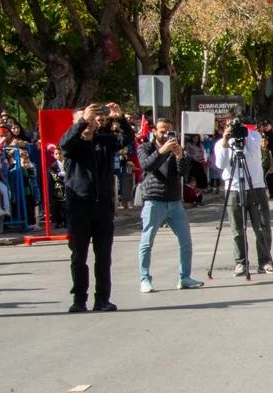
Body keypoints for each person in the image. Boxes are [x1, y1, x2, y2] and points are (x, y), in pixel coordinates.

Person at [59, 103, 131, 313]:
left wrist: (120, 119)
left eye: (92, 119)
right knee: (79, 256)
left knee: (103, 256)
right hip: (79, 205)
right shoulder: (73, 143)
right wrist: (81, 122)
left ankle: (102, 299)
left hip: (103, 207)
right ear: (76, 122)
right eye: (85, 119)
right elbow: (64, 145)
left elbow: (126, 139)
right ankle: (79, 299)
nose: (89, 123)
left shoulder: (103, 141)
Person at [136, 118, 204, 293]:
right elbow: (147, 166)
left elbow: (184, 172)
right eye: (162, 131)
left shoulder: (176, 149)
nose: (166, 135)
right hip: (154, 200)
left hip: (174, 201)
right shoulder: (146, 148)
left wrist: (180, 156)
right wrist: (162, 151)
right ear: (154, 132)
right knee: (147, 242)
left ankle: (185, 277)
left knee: (186, 241)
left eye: (169, 132)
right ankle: (145, 279)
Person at [213, 119, 273, 276]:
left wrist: (244, 132)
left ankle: (265, 261)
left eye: (237, 125)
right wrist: (226, 142)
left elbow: (252, 148)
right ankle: (241, 263)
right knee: (237, 229)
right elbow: (221, 164)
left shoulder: (253, 136)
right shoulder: (221, 143)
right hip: (234, 188)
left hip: (256, 186)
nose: (234, 128)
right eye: (230, 125)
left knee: (262, 227)